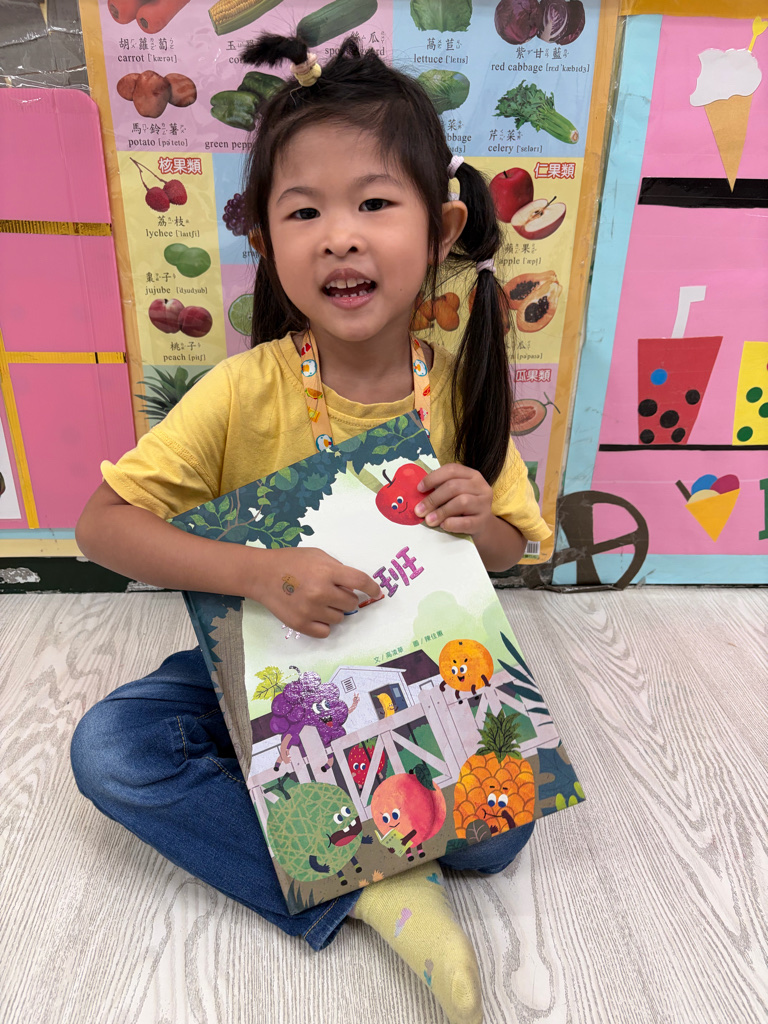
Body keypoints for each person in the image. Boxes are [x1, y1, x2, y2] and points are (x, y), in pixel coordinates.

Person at [72, 33, 552, 1024]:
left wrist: (479, 521)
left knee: (502, 833)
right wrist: (259, 573)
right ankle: (373, 889)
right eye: (304, 212)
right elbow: (101, 526)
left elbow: (512, 544)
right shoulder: (239, 390)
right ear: (266, 240)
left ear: (441, 228)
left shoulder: (458, 391)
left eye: (374, 204)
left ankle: (343, 827)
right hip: (270, 673)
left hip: (417, 670)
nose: (339, 237)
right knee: (115, 750)